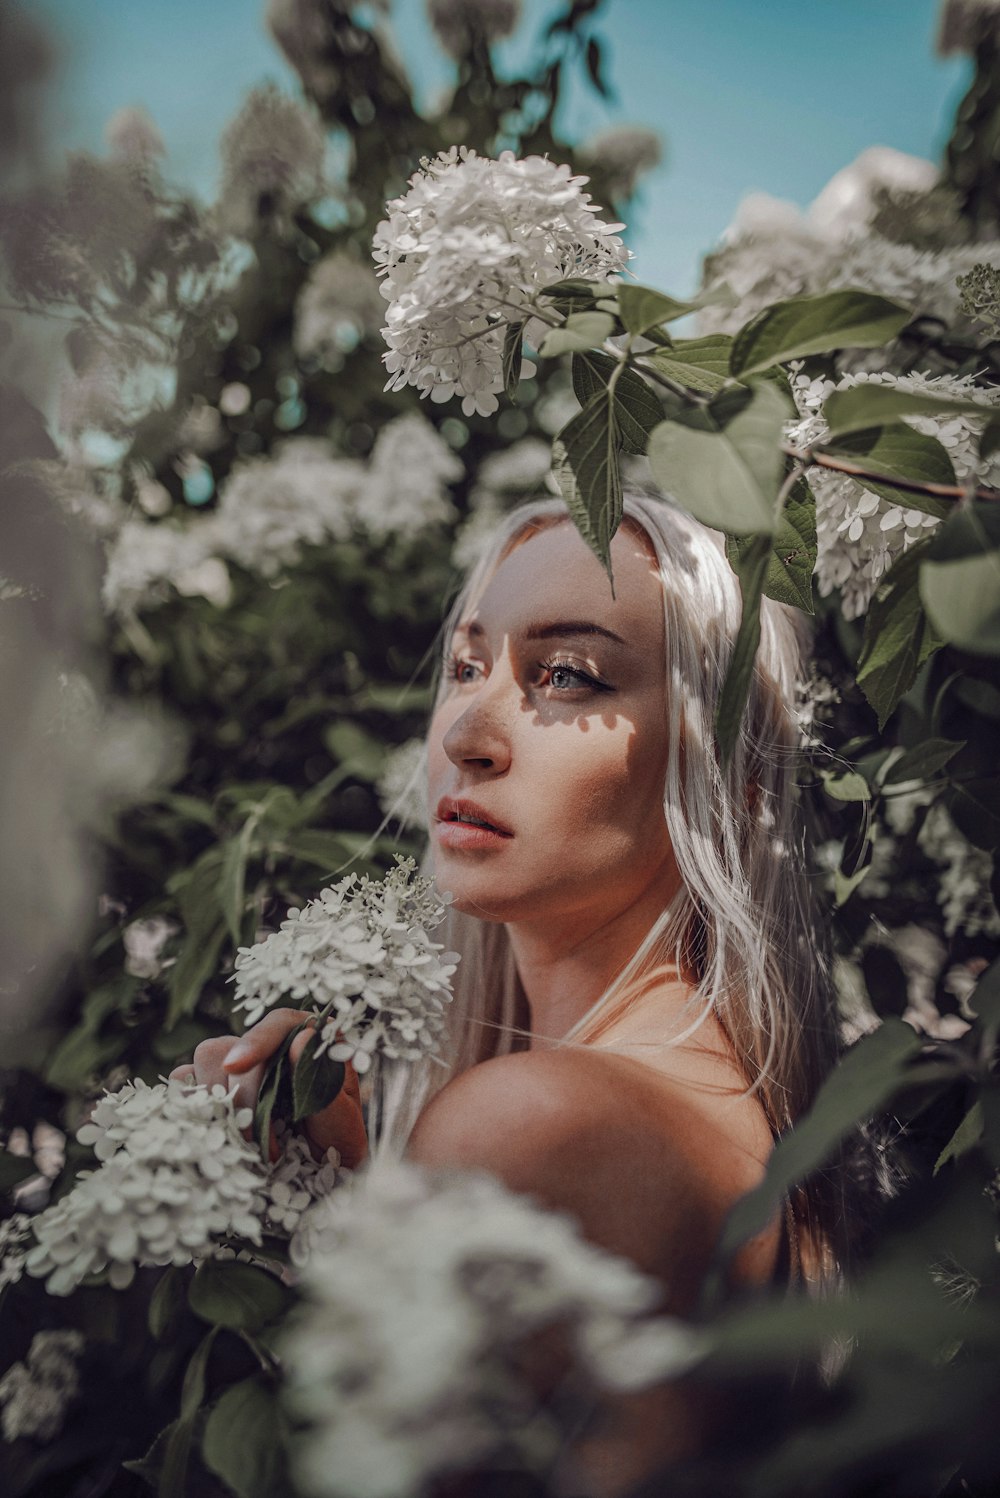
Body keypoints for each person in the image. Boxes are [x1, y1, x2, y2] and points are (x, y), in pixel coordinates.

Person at [172, 489, 841, 1486]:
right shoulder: (716, 1104)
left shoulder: (537, 1121)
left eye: (567, 675)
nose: (464, 736)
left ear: (730, 776)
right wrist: (340, 1197)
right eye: (466, 667)